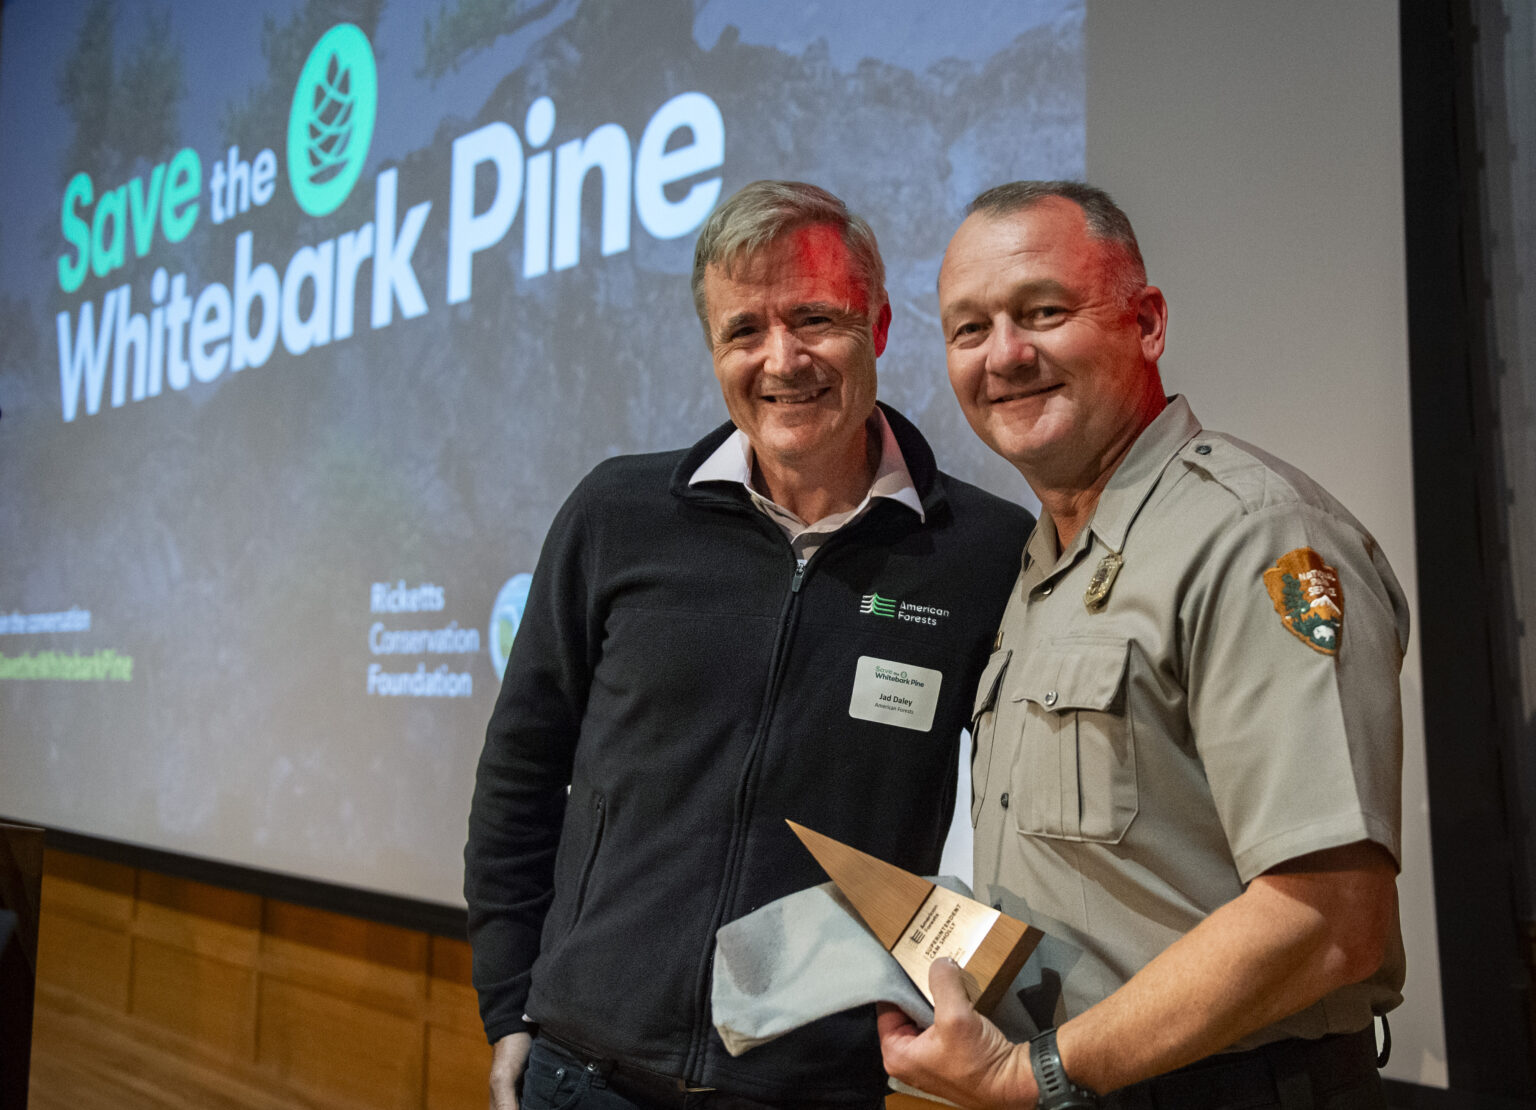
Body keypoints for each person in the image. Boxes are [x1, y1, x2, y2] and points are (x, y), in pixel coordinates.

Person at [464, 180, 1033, 1110]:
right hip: (586, 1072)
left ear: (880, 327)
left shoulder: (979, 554)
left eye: (815, 317)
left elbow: (1026, 810)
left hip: (811, 1090)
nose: (783, 360)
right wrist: (508, 1007)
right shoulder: (619, 514)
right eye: (744, 330)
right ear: (712, 349)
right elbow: (521, 772)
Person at [877, 181, 1408, 1110]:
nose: (1005, 355)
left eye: (1042, 311)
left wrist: (1030, 1075)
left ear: (1147, 322)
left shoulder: (1258, 539)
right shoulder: (1040, 565)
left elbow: (1332, 919)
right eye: (969, 329)